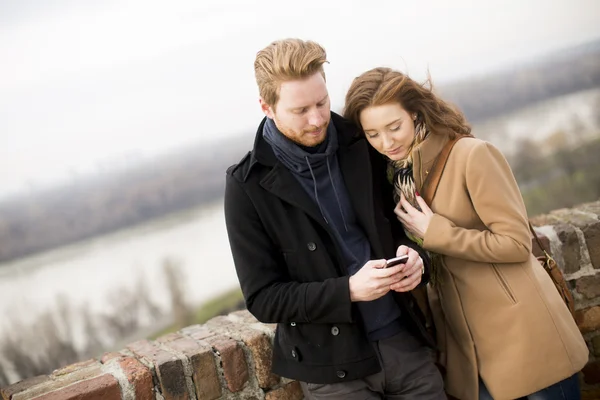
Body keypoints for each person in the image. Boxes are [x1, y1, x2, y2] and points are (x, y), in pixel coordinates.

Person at [343, 67, 589, 400]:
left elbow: (516, 244)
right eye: (372, 134)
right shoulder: (395, 179)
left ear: (414, 114)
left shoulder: (472, 155)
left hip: (523, 336)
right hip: (466, 348)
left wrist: (436, 232)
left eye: (394, 127)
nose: (386, 142)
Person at [224, 39, 446, 399]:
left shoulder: (361, 142)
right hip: (332, 371)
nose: (317, 119)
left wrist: (416, 258)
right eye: (300, 110)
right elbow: (263, 298)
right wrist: (347, 291)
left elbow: (401, 226)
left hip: (405, 344)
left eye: (322, 103)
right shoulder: (246, 186)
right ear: (267, 107)